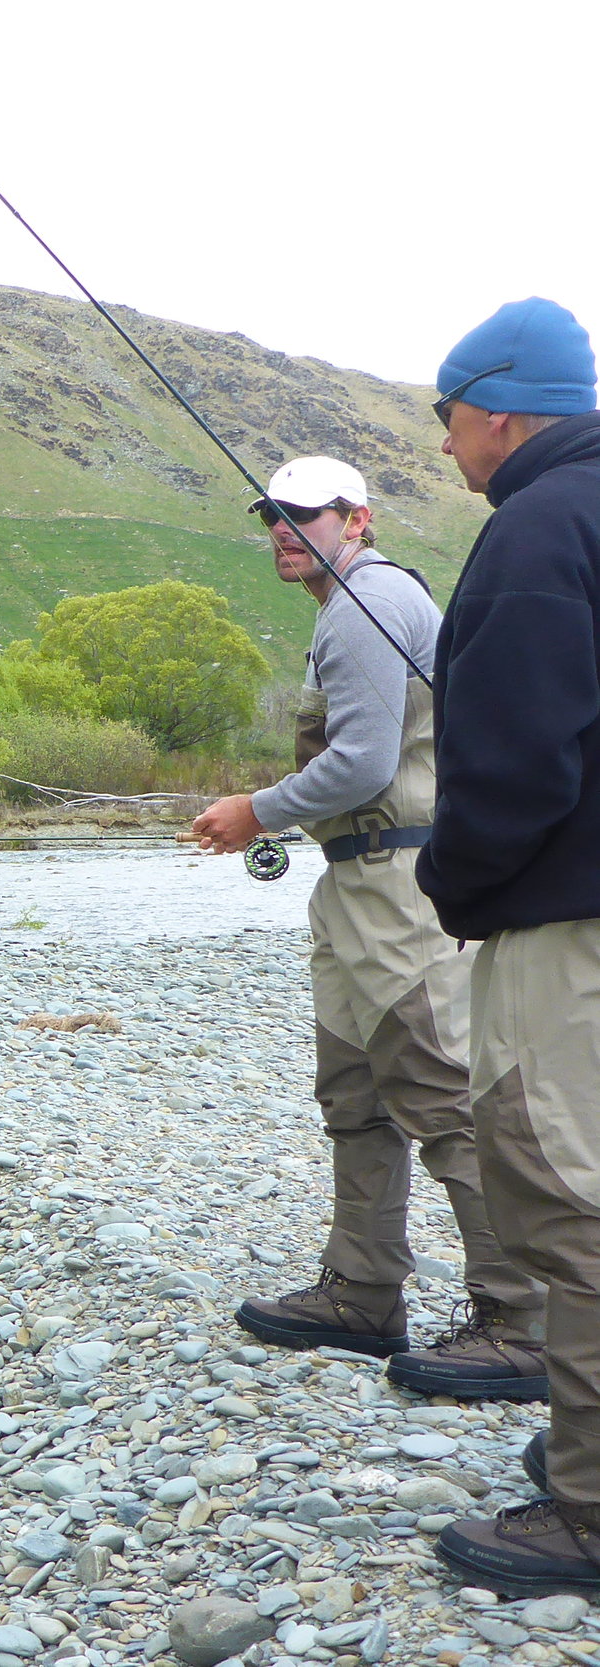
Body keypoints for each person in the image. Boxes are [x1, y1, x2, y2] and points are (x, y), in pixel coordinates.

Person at [190, 458, 545, 1399]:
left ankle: (523, 1320)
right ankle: (362, 1289)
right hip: (355, 882)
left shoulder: (363, 602)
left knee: (439, 1092)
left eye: (302, 514)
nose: (281, 528)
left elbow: (359, 762)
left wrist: (254, 812)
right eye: (271, 513)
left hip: (396, 884)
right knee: (354, 1087)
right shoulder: (347, 602)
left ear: (358, 519)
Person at [408, 297, 600, 1594]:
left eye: (446, 420)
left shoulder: (537, 526)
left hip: (563, 919)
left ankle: (589, 1506)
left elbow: (520, 762)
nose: (444, 449)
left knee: (565, 1195)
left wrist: (448, 872)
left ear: (499, 409)